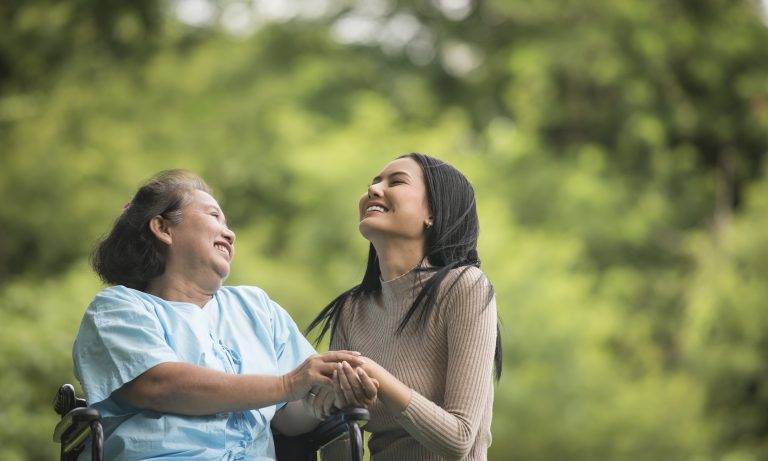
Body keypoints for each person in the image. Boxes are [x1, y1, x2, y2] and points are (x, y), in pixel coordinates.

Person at [72, 169, 367, 461]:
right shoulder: (118, 308)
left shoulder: (257, 308)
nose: (230, 233)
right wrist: (286, 385)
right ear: (163, 228)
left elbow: (290, 420)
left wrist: (331, 397)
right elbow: (160, 385)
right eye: (214, 216)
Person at [308, 153, 503, 461]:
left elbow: (459, 439)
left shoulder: (465, 286)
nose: (373, 190)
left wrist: (376, 377)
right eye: (372, 183)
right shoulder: (351, 310)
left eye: (396, 181)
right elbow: (339, 437)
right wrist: (332, 403)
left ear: (433, 214)